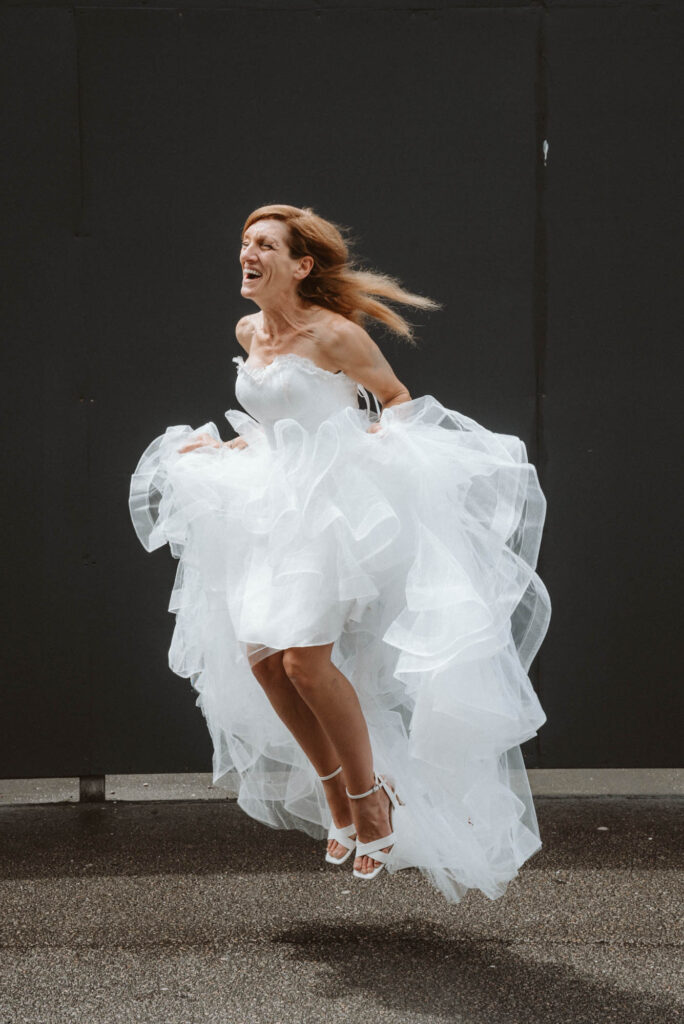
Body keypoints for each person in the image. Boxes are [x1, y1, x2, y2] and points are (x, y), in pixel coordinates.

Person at [129, 203, 551, 902]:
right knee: (265, 665)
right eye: (244, 242)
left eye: (264, 244)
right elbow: (275, 425)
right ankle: (337, 799)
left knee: (304, 659)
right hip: (266, 510)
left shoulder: (335, 335)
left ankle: (371, 797)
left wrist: (371, 464)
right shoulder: (247, 330)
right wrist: (226, 446)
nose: (247, 253)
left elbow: (395, 401)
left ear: (301, 264)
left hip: (328, 515)